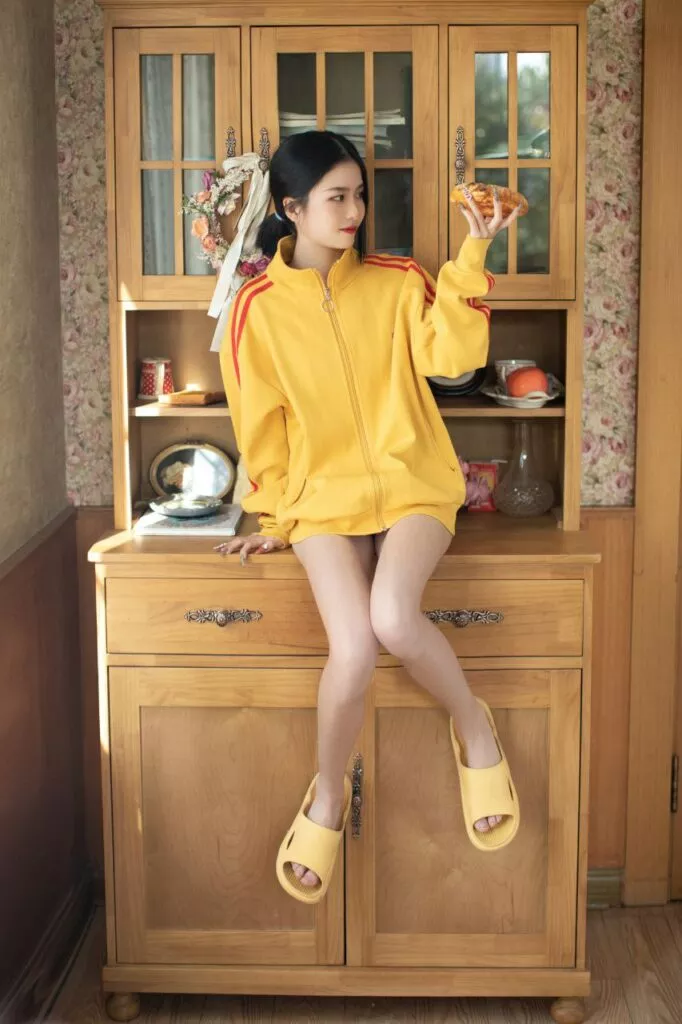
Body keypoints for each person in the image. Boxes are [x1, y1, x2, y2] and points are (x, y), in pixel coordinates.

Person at [215, 130, 521, 904]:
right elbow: (260, 427)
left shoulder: (397, 280)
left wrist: (473, 255)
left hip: (415, 483)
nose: (354, 211)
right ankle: (327, 793)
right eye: (337, 198)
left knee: (392, 617)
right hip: (322, 499)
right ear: (292, 209)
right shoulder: (255, 310)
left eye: (359, 195)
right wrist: (273, 519)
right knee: (350, 650)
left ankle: (473, 726)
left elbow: (454, 359)